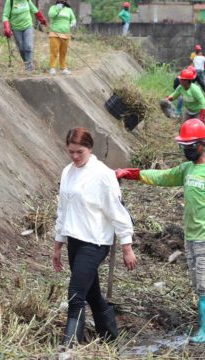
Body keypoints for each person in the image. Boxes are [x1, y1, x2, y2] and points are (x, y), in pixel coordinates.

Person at [116, 119, 205, 343]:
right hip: (190, 236)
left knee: (204, 283)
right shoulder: (187, 169)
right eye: (183, 147)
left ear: (201, 145)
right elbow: (163, 176)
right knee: (198, 280)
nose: (186, 151)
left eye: (189, 147)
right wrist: (132, 174)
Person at [52, 128, 137, 346]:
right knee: (91, 294)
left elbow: (117, 212)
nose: (75, 157)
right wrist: (58, 244)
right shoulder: (67, 172)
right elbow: (63, 209)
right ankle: (110, 337)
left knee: (75, 294)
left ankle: (70, 346)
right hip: (75, 240)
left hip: (95, 243)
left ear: (89, 148)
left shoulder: (102, 174)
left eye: (79, 152)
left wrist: (127, 247)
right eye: (71, 152)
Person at [2, 0, 48, 72]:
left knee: (28, 46)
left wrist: (42, 19)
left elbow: (34, 9)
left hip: (28, 26)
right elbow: (5, 16)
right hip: (16, 28)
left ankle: (29, 68)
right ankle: (27, 63)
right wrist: (7, 28)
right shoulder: (10, 1)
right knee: (21, 48)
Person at [47, 0, 77, 75]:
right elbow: (51, 15)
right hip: (55, 34)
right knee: (54, 51)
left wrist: (73, 23)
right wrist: (57, 9)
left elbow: (73, 18)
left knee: (63, 52)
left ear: (65, 0)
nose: (59, 0)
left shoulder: (69, 10)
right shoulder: (53, 8)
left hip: (66, 35)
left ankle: (63, 68)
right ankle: (52, 68)